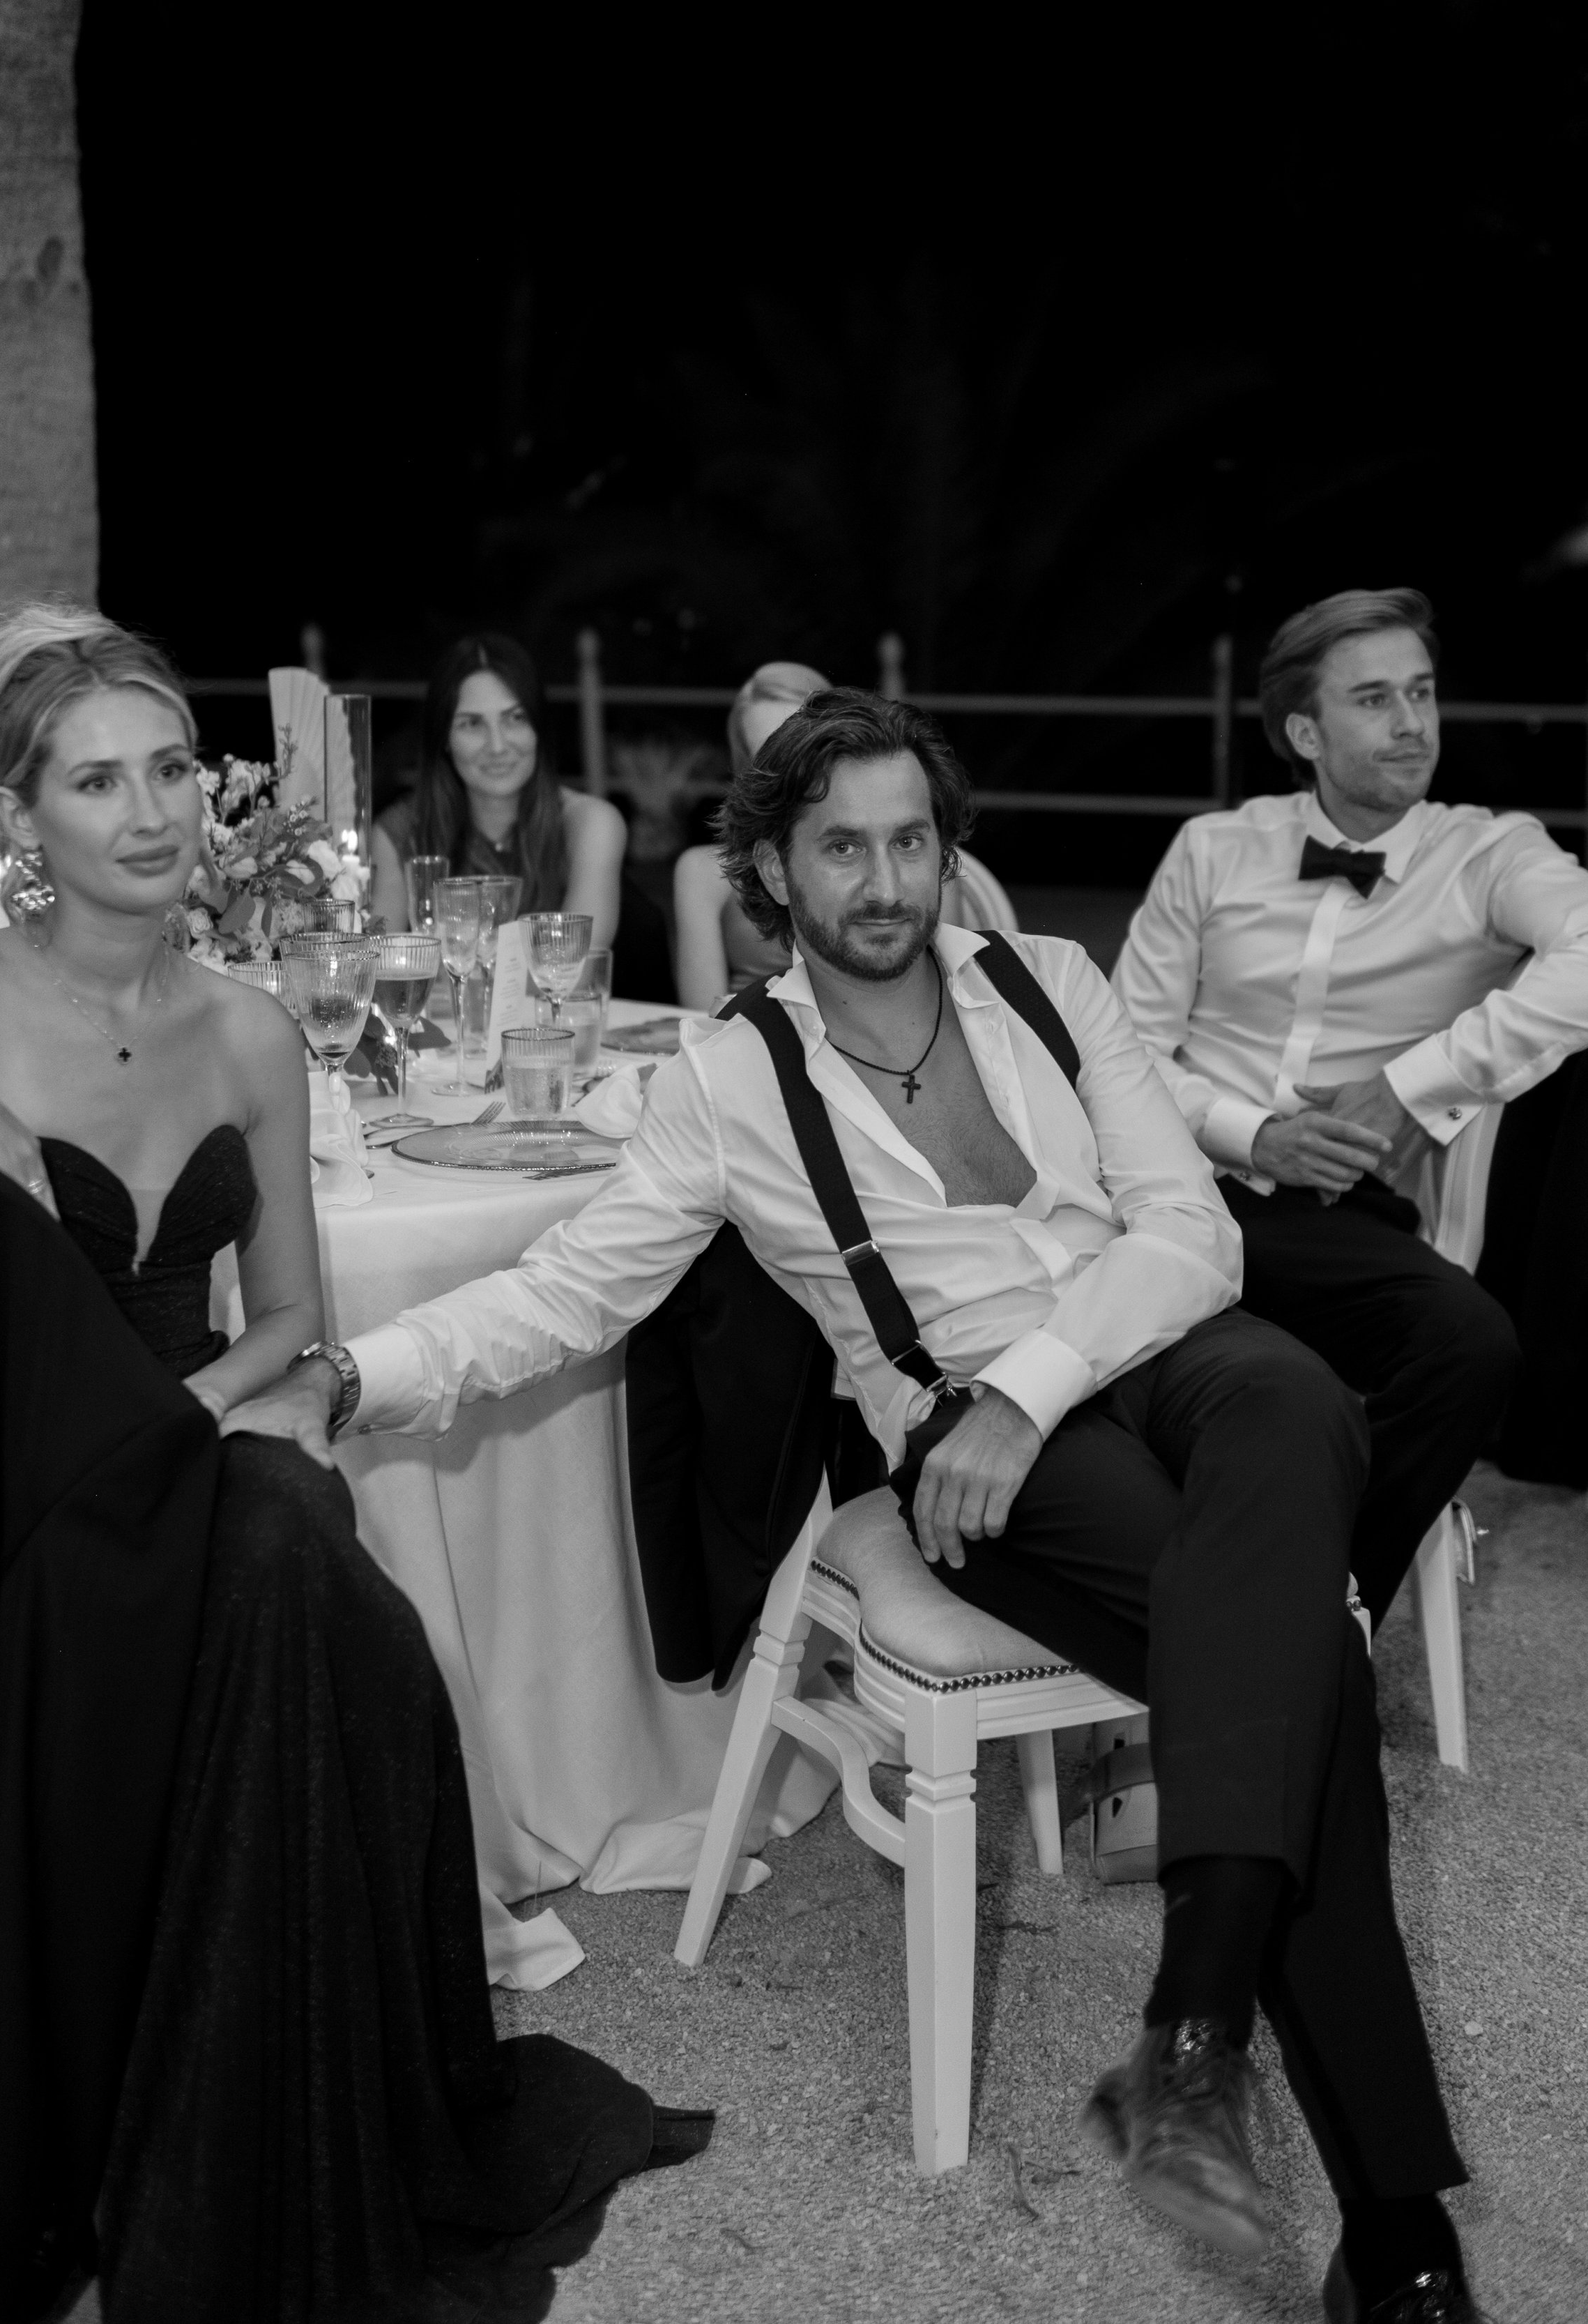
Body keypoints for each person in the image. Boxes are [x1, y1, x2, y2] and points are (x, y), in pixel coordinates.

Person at [235, 688, 1483, 2322]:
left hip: (1139, 1355)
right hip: (971, 1432)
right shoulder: (726, 1083)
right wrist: (349, 1375)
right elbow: (563, 1297)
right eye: (844, 847)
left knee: (1295, 1391)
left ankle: (1193, 2029)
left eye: (910, 838)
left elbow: (1191, 1235)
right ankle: (1393, 2234)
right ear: (772, 868)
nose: (886, 879)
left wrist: (1033, 1388)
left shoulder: (1050, 981)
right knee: (1299, 1652)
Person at [0, 604, 705, 2322]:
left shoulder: (245, 1027)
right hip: (12, 1492)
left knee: (307, 1562)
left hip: (191, 1430)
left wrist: (189, 1420)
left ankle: (264, 2129)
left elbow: (297, 1320)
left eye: (172, 766)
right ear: (23, 820)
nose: (152, 810)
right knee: (283, 1560)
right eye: (100, 781)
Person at [1113, 586, 1588, 1616]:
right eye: (1374, 699)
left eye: (1420, 694)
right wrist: (1254, 1135)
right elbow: (1122, 1052)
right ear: (1303, 730)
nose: (1413, 724)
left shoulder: (1492, 851)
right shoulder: (1213, 848)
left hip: (1345, 1218)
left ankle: (1321, 1605)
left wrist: (1409, 1089)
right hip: (1177, 1177)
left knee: (1472, 1344)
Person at [674, 659, 1014, 1006]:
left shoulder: (927, 866)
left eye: (907, 842)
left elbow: (950, 991)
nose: (886, 888)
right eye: (768, 751)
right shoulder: (701, 872)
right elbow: (703, 1018)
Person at [371, 632, 685, 998]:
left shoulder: (590, 824)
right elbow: (379, 976)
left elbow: (571, 976)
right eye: (472, 724)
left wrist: (452, 980)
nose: (498, 745)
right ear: (443, 738)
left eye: (515, 718)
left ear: (539, 728)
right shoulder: (400, 833)